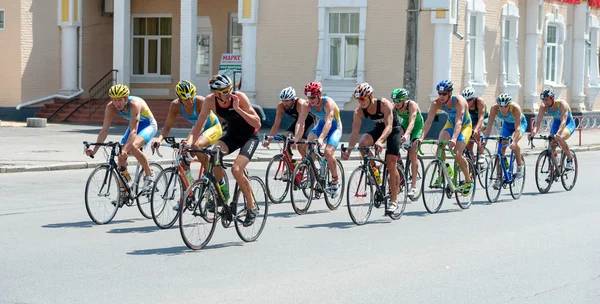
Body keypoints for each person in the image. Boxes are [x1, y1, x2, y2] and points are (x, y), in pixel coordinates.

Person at [186, 74, 261, 227]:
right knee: (213, 157)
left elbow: (257, 123)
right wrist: (189, 143)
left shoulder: (239, 97)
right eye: (225, 92)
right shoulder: (209, 101)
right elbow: (199, 125)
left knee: (236, 169)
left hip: (249, 137)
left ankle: (251, 207)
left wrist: (238, 108)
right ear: (215, 93)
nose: (229, 94)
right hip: (232, 136)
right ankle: (222, 193)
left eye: (229, 90)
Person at [85, 84, 158, 205]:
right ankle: (124, 191)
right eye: (114, 100)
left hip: (148, 125)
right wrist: (94, 150)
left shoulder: (134, 104)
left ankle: (149, 174)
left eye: (119, 100)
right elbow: (104, 130)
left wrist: (126, 149)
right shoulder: (110, 107)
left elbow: (134, 130)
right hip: (133, 125)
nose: (117, 103)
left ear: (125, 98)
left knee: (132, 147)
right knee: (120, 157)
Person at [342, 83, 402, 214]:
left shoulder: (384, 104)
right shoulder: (358, 112)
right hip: (379, 129)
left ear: (371, 96)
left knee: (391, 163)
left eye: (363, 99)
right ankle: (375, 169)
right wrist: (348, 151)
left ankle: (394, 200)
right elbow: (354, 133)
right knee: (363, 144)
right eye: (358, 99)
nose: (361, 102)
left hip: (393, 129)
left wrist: (380, 141)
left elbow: (389, 127)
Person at [151, 80, 222, 182]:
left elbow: (201, 126)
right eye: (186, 99)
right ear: (180, 99)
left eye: (191, 97)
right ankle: (189, 190)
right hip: (196, 130)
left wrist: (189, 143)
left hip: (212, 128)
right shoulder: (175, 106)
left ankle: (212, 178)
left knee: (196, 146)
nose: (190, 101)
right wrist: (159, 140)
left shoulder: (200, 101)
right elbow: (167, 127)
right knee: (183, 161)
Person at [419, 80, 474, 196]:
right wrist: (421, 138)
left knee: (457, 153)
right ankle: (442, 173)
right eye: (439, 93)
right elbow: (428, 122)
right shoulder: (436, 103)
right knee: (440, 144)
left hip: (464, 126)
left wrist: (454, 139)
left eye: (444, 94)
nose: (441, 96)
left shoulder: (459, 101)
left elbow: (459, 122)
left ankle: (468, 180)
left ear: (450, 93)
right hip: (450, 124)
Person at [293, 81, 343, 198]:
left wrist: (321, 139)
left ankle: (335, 181)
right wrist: (296, 138)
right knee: (310, 142)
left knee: (328, 152)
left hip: (334, 128)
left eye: (313, 98)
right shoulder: (306, 105)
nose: (311, 100)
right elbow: (301, 122)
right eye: (309, 97)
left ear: (319, 95)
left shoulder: (328, 103)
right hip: (320, 126)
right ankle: (312, 176)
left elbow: (329, 122)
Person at [482, 94, 527, 187]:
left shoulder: (515, 108)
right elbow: (489, 125)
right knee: (500, 150)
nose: (503, 109)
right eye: (500, 106)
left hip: (519, 124)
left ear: (509, 105)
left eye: (505, 106)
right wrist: (485, 140)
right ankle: (499, 177)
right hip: (507, 125)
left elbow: (517, 128)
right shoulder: (494, 109)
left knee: (513, 143)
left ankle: (519, 165)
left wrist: (514, 142)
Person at [263, 87, 316, 162]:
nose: (285, 103)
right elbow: (276, 125)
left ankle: (309, 165)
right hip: (299, 121)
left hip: (310, 122)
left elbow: (300, 123)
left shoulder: (300, 103)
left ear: (293, 99)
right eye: (283, 100)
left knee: (301, 144)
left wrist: (297, 138)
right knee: (286, 137)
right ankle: (290, 166)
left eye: (287, 100)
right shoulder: (280, 106)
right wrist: (269, 140)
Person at [529, 88, 575, 171]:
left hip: (568, 124)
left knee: (560, 138)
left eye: (546, 100)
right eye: (543, 100)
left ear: (552, 97)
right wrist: (533, 133)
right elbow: (538, 122)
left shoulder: (561, 104)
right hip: (556, 124)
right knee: (551, 145)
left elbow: (563, 121)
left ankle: (569, 159)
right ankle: (555, 166)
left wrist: (558, 134)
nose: (544, 102)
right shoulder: (543, 107)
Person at [391, 88, 424, 198]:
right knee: (394, 141)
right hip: (405, 124)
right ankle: (400, 176)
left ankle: (413, 185)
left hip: (417, 126)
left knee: (412, 152)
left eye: (399, 101)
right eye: (394, 101)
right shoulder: (394, 107)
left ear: (404, 99)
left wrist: (406, 135)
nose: (396, 103)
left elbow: (412, 122)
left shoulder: (412, 105)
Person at [461, 86, 489, 164]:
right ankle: (471, 160)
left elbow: (481, 118)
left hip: (483, 119)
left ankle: (481, 153)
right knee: (469, 142)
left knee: (477, 129)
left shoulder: (480, 101)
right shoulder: (464, 105)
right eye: (465, 100)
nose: (467, 102)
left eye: (469, 100)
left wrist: (476, 129)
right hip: (472, 120)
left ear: (473, 98)